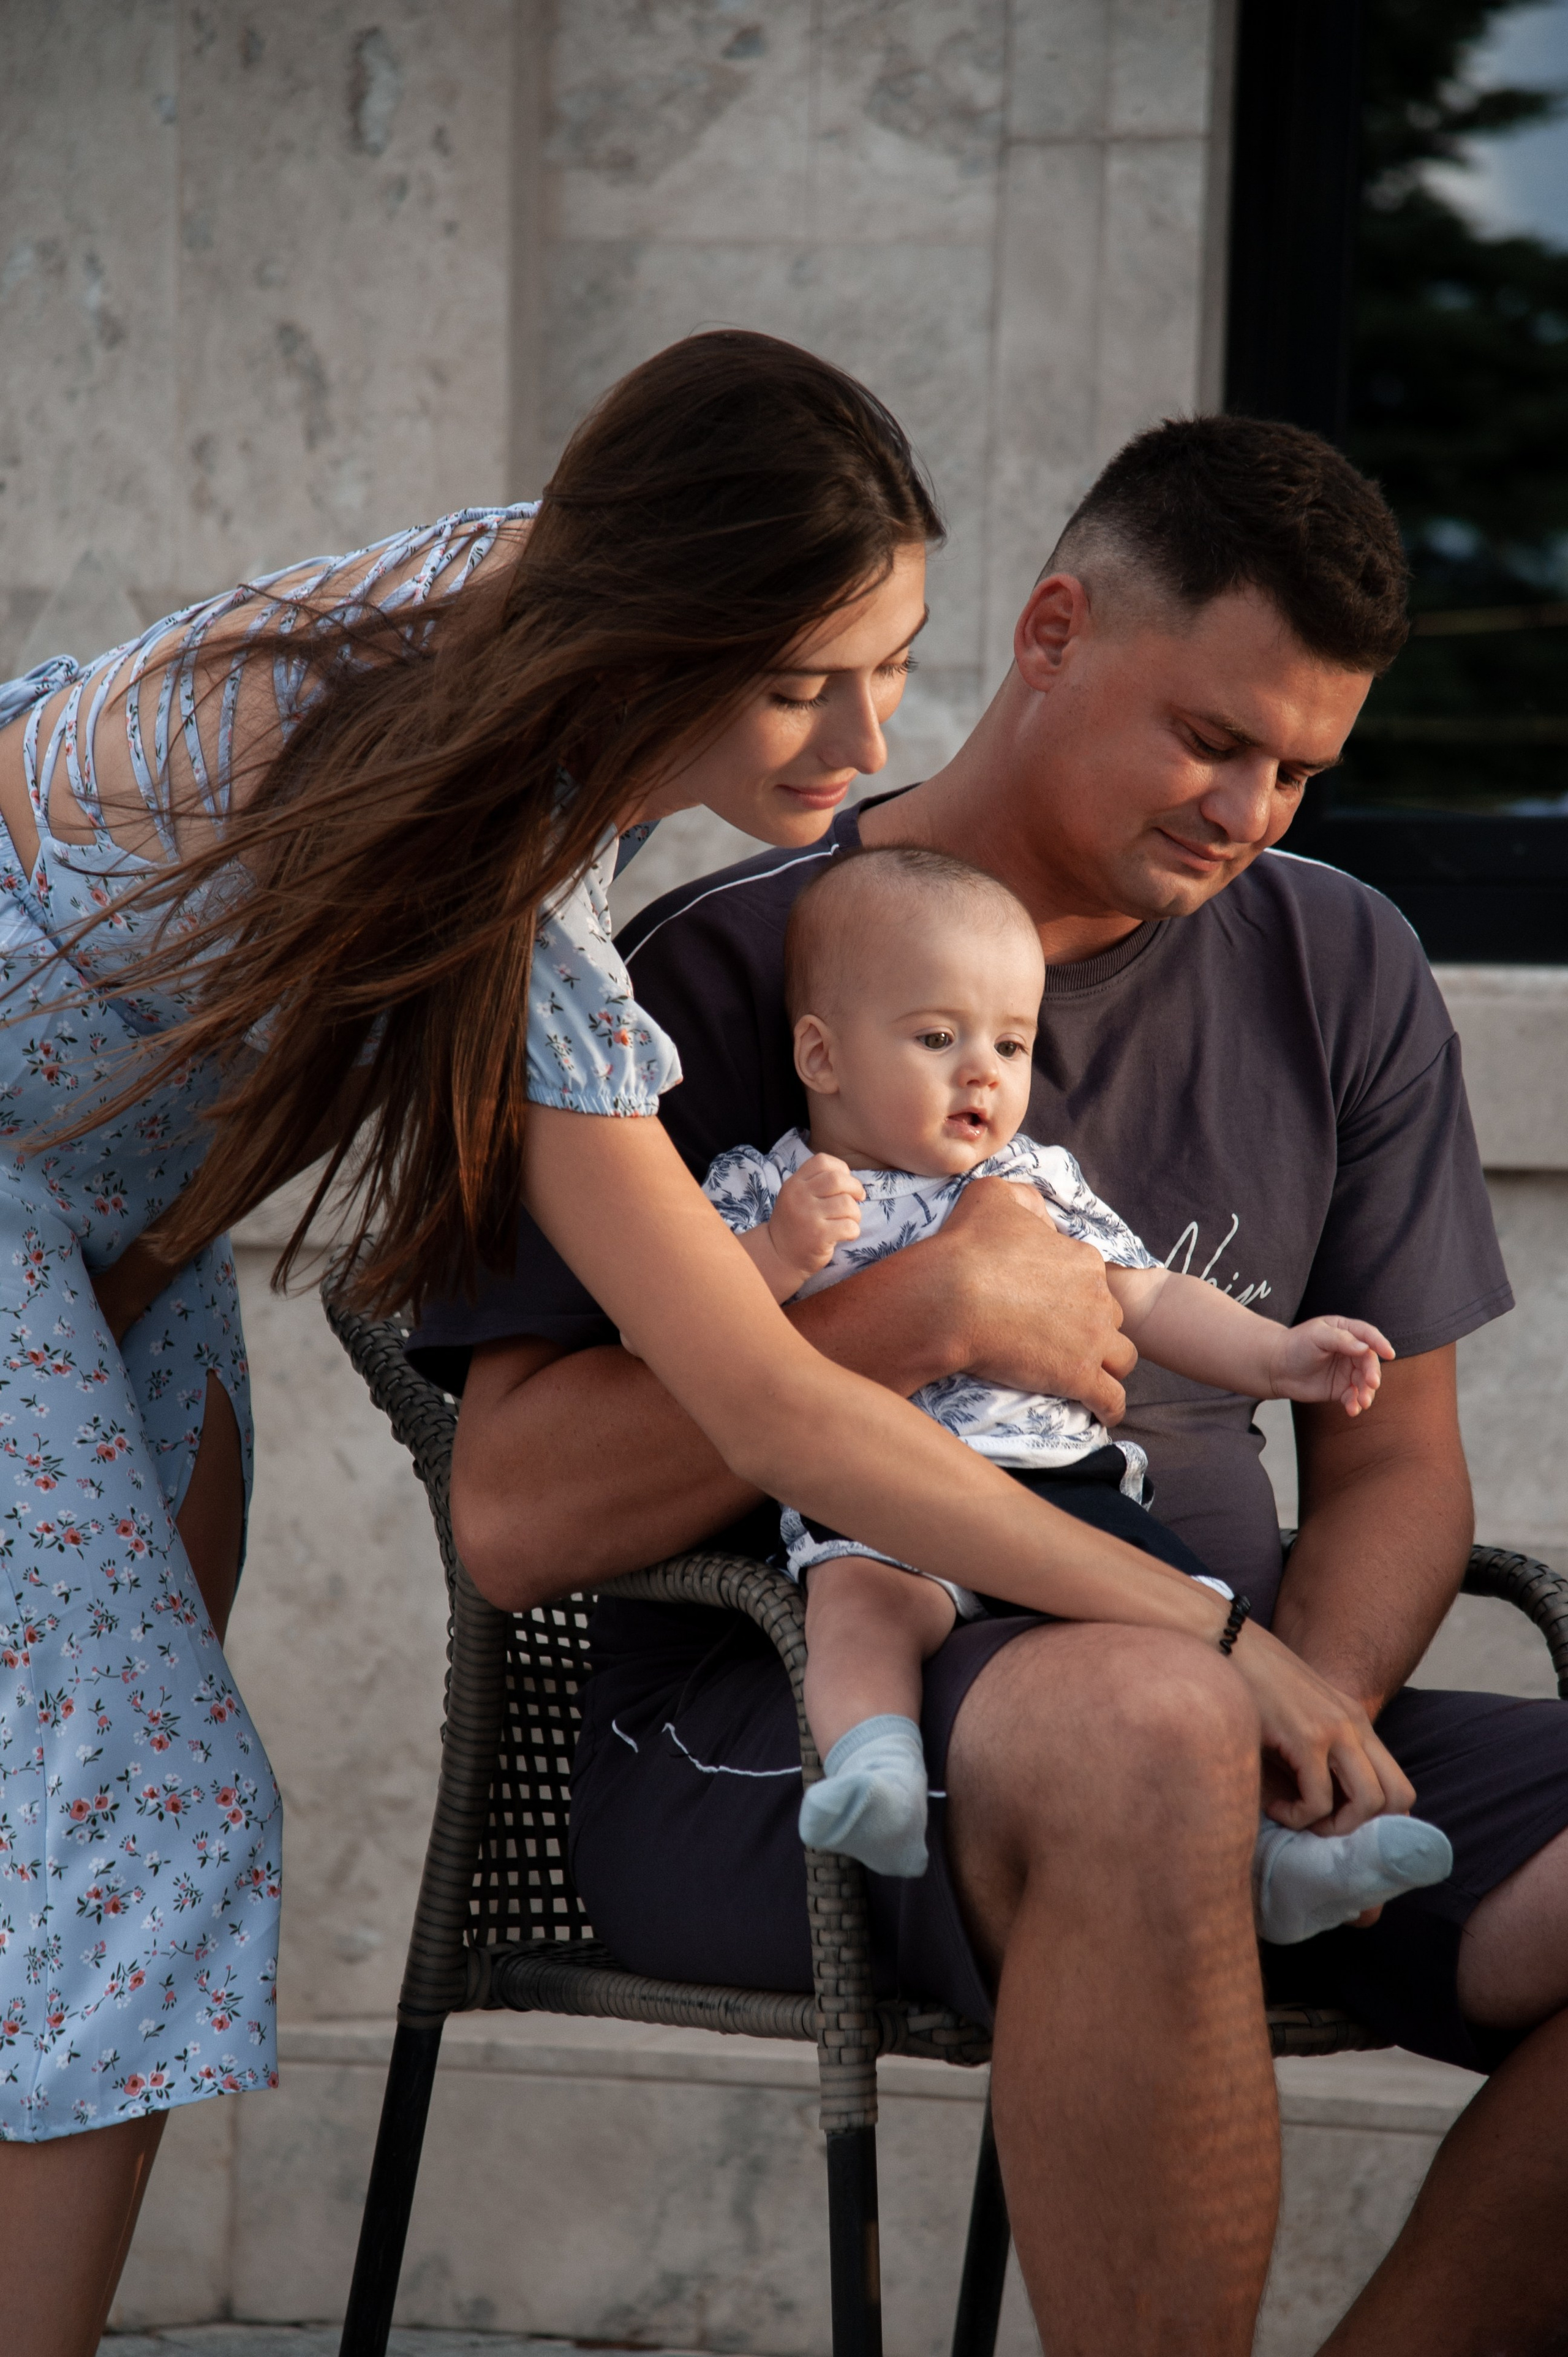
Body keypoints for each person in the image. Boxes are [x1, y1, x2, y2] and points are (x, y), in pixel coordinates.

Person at [0, 339, 1386, 2357]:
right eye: (795, 677)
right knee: (150, 1812)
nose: (862, 731)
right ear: (653, 628)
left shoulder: (517, 638)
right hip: (30, 1179)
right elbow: (772, 1396)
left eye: (893, 659)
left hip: (99, 1196)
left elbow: (216, 995)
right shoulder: (506, 867)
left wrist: (150, 1236)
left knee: (65, 1788)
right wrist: (1217, 1631)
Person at [432, 415, 1568, 2356]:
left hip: (1229, 1687)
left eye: (1303, 768)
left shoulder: (1343, 965)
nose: (1251, 808)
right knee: (1149, 1728)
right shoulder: (707, 979)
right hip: (784, 1725)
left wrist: (1305, 1716)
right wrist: (930, 1309)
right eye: (1214, 738)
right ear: (1051, 631)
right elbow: (518, 1512)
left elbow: (1397, 1474)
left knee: (1169, 1723)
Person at [707, 839, 1453, 1939]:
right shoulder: (771, 1184)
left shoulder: (1035, 1181)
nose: (984, 1073)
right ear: (821, 1055)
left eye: (1011, 1044)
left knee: (1201, 1642)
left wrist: (1281, 1355)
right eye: (936, 1038)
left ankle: (1276, 1859)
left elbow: (1150, 1298)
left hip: (1072, 1496)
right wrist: (776, 1254)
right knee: (857, 1608)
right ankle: (875, 1776)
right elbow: (685, 1328)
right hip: (880, 1493)